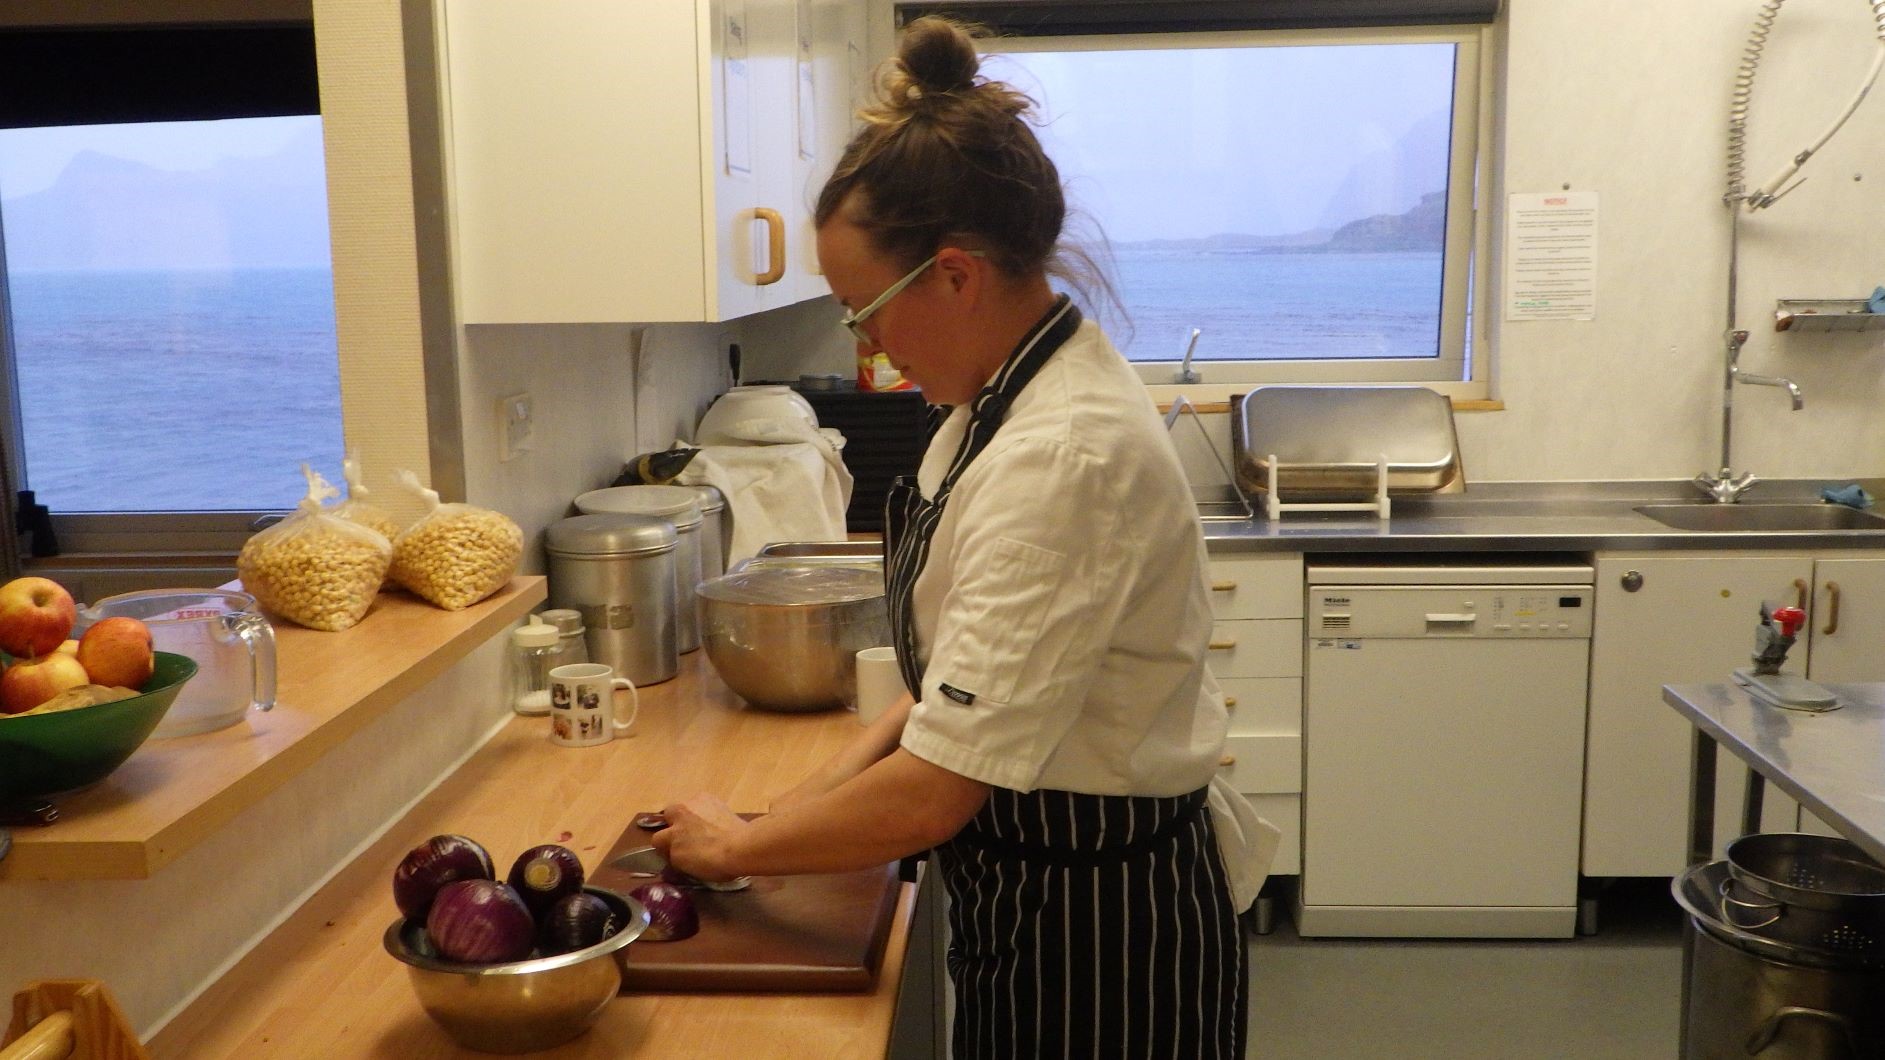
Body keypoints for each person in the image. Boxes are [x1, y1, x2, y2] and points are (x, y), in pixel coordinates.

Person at [653, 16, 1273, 1057]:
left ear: (953, 274)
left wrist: (743, 847)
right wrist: (798, 803)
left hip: (1103, 942)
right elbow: (948, 692)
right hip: (1034, 902)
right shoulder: (993, 403)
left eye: (866, 309)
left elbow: (939, 786)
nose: (867, 343)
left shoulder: (1059, 458)